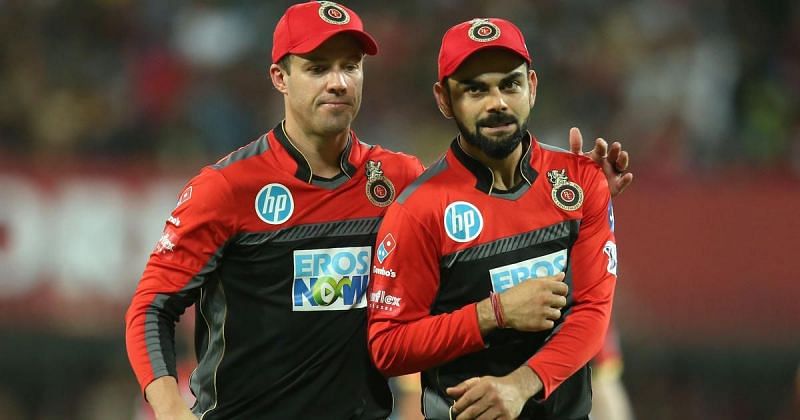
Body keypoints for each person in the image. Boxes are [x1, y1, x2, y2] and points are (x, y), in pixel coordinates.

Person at [125, 3, 632, 419]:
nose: (339, 82)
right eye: (318, 68)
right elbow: (150, 309)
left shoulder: (400, 182)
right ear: (279, 77)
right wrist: (171, 409)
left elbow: (483, 221)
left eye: (350, 66)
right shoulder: (227, 188)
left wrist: (570, 187)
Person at [367, 18, 620, 420]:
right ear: (444, 100)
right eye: (475, 89)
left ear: (532, 87)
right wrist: (493, 313)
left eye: (510, 84)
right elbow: (388, 347)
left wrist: (520, 385)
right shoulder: (416, 211)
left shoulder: (581, 180)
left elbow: (593, 312)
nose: (497, 102)